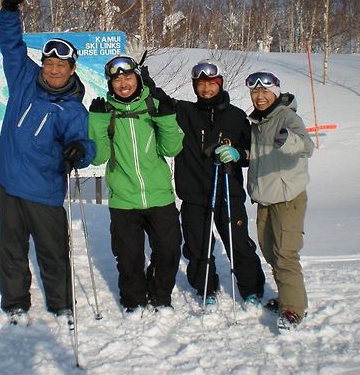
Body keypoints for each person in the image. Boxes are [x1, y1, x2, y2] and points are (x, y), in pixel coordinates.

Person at [0, 0, 96, 325]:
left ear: (71, 69)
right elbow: (11, 42)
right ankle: (15, 302)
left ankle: (61, 303)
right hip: (8, 180)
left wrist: (79, 151)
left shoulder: (73, 108)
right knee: (11, 248)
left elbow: (85, 143)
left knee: (52, 251)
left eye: (60, 66)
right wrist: (10, 7)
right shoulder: (23, 78)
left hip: (44, 189)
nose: (52, 70)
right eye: (49, 63)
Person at [142, 60, 265, 311]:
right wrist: (141, 74)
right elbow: (159, 99)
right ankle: (206, 287)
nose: (206, 89)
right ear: (195, 87)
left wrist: (238, 153)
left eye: (211, 84)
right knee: (198, 246)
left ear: (220, 84)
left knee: (238, 243)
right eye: (201, 84)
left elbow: (254, 152)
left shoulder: (236, 116)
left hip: (228, 193)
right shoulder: (184, 112)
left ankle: (251, 290)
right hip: (194, 194)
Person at [88, 54, 184, 316]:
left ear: (138, 79)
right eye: (116, 79)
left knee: (169, 251)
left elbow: (172, 148)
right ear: (110, 84)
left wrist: (166, 119)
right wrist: (96, 123)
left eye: (128, 77)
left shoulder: (153, 106)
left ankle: (160, 296)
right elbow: (99, 156)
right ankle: (133, 300)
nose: (123, 83)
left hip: (160, 196)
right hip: (123, 199)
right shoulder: (105, 112)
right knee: (129, 258)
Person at [245, 70, 314, 332]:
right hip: (265, 197)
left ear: (275, 92)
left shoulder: (287, 116)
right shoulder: (258, 122)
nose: (259, 97)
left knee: (285, 254)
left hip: (288, 197)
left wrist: (288, 140)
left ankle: (293, 309)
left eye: (264, 91)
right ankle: (288, 297)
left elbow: (306, 146)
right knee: (270, 251)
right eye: (255, 92)